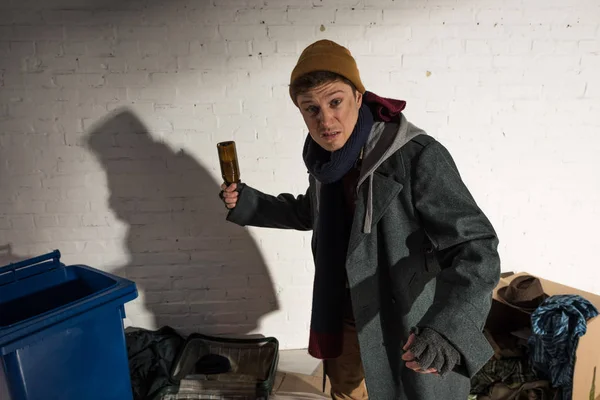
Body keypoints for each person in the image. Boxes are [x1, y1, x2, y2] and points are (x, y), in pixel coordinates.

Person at [219, 39, 501, 400]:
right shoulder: (326, 163)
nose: (325, 120)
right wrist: (247, 202)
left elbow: (476, 246)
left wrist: (447, 328)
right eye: (311, 109)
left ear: (357, 95)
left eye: (335, 101)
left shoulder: (417, 156)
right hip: (344, 310)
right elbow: (311, 212)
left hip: (407, 317)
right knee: (347, 391)